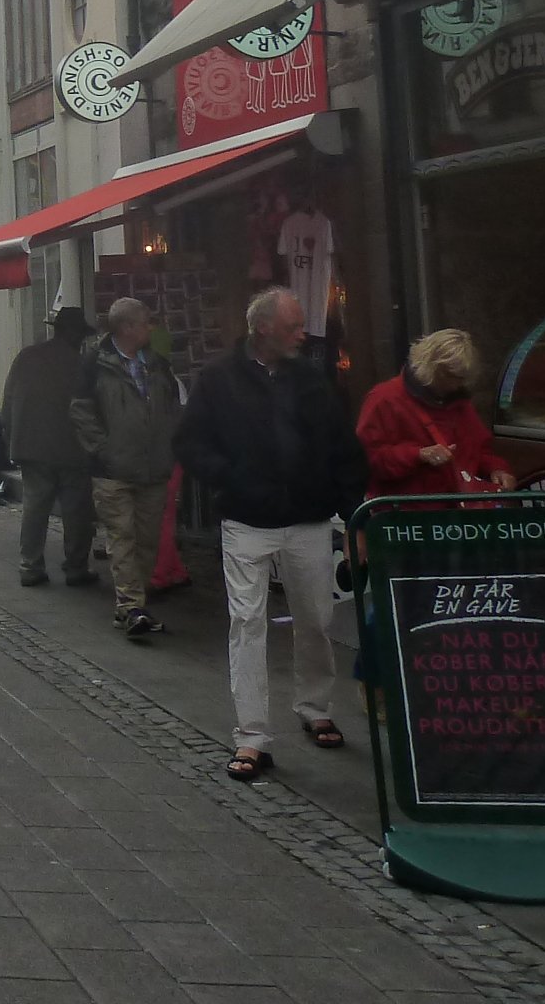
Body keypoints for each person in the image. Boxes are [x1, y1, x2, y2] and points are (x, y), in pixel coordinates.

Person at [172, 287, 368, 782]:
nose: (303, 334)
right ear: (263, 328)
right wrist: (230, 476)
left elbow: (342, 446)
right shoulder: (219, 379)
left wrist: (353, 512)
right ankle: (252, 734)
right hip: (247, 518)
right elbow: (189, 441)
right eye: (293, 327)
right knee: (247, 624)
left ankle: (314, 704)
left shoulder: (312, 379)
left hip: (307, 515)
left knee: (317, 617)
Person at [70, 298, 180, 639]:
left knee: (147, 540)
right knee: (122, 536)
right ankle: (131, 606)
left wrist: (169, 447)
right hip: (112, 470)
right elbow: (81, 411)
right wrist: (103, 450)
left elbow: (173, 409)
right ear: (127, 327)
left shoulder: (158, 365)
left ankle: (133, 605)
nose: (151, 328)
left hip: (153, 468)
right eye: (146, 322)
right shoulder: (95, 365)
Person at [357, 328, 515, 498]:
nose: (456, 384)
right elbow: (366, 459)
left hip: (455, 510)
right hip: (406, 512)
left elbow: (480, 449)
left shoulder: (459, 402)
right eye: (449, 376)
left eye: (461, 378)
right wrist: (418, 455)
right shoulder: (384, 399)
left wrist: (496, 469)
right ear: (430, 366)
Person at [2, 308, 95, 589]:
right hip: (72, 449)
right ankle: (76, 567)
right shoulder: (82, 364)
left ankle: (30, 565)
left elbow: (8, 401)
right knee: (77, 510)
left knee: (35, 507)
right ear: (76, 334)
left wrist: (11, 437)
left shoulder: (26, 357)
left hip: (32, 447)